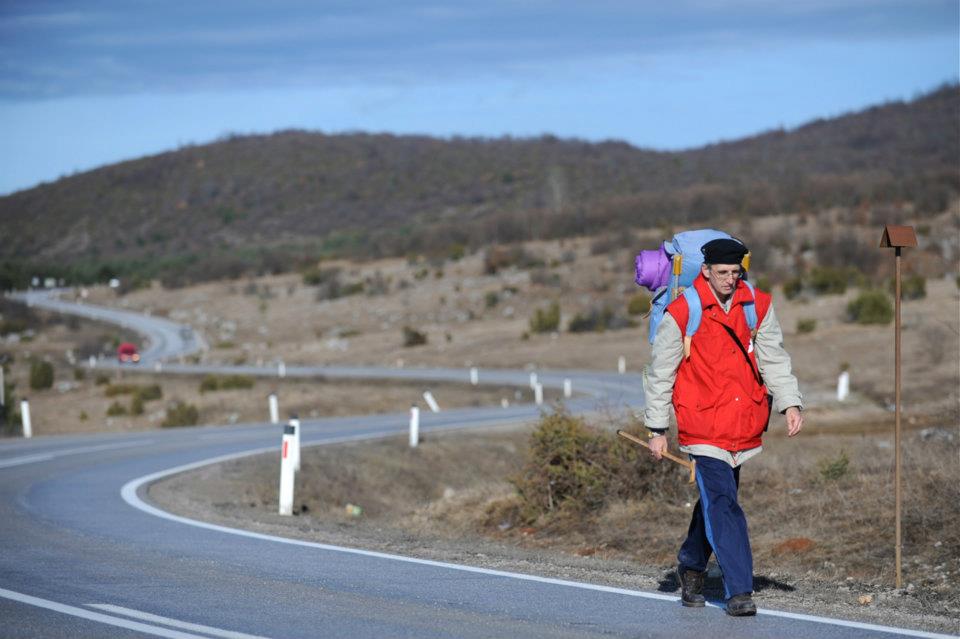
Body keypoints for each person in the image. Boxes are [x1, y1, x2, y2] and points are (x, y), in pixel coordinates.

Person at [642, 237, 803, 616]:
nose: (730, 279)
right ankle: (739, 590)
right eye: (722, 273)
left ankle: (692, 565)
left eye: (735, 272)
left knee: (716, 502)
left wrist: (790, 402)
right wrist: (657, 428)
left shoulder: (757, 306)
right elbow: (660, 372)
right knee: (724, 503)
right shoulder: (684, 311)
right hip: (702, 425)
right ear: (708, 271)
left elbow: (773, 357)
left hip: (743, 423)